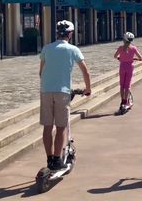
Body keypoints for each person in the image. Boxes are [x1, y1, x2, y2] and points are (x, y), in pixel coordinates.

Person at [40, 20, 91, 171]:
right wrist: (88, 88)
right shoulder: (73, 49)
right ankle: (57, 160)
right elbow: (85, 71)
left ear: (57, 33)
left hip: (46, 91)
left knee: (47, 126)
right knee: (61, 127)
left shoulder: (47, 48)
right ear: (70, 34)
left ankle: (49, 159)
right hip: (62, 92)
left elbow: (40, 71)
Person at [113, 32, 142, 110]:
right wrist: (133, 59)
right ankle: (126, 101)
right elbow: (141, 58)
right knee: (127, 85)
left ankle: (122, 101)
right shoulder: (133, 48)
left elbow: (115, 56)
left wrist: (120, 58)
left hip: (122, 66)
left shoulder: (120, 48)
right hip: (130, 67)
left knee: (122, 85)